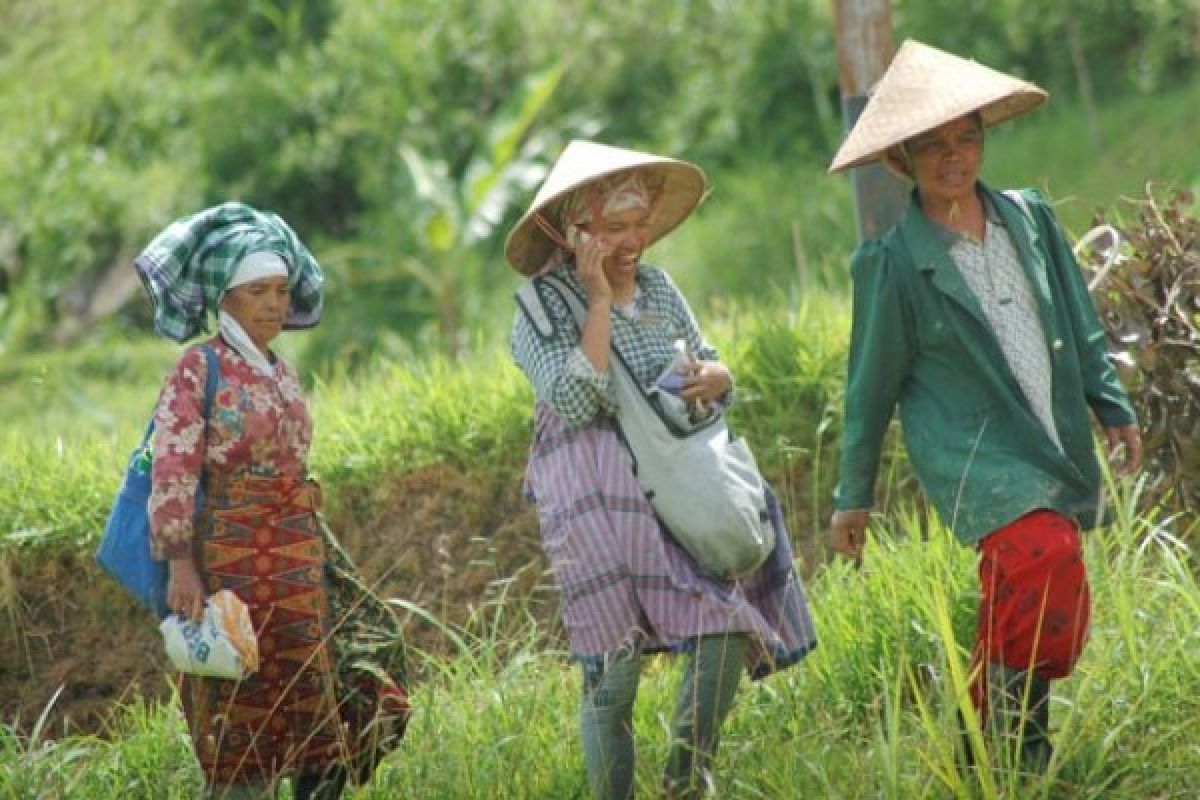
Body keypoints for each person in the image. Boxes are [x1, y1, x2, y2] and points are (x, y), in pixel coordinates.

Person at [827, 41, 1142, 772]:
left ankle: (991, 759)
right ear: (901, 159)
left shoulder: (1028, 219)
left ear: (982, 138)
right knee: (1044, 554)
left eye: (966, 136)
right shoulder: (893, 263)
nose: (953, 157)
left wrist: (1111, 402)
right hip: (974, 454)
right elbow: (868, 387)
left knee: (1044, 590)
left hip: (1047, 431)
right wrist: (854, 498)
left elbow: (1079, 321)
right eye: (932, 145)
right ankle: (1013, 754)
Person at [506, 140, 818, 799]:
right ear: (573, 231)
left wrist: (720, 375)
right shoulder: (540, 309)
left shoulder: (659, 287)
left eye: (638, 224)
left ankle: (685, 782)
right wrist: (596, 302)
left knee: (722, 627)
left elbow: (706, 366)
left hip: (676, 481)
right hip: (593, 499)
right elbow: (574, 398)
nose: (630, 241)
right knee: (613, 676)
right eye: (612, 228)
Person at [137, 203, 410, 799]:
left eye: (282, 290)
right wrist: (181, 565)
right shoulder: (198, 369)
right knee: (243, 710)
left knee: (331, 693)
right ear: (225, 299)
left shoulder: (280, 372)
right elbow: (173, 469)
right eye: (256, 290)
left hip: (295, 564)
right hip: (230, 567)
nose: (273, 304)